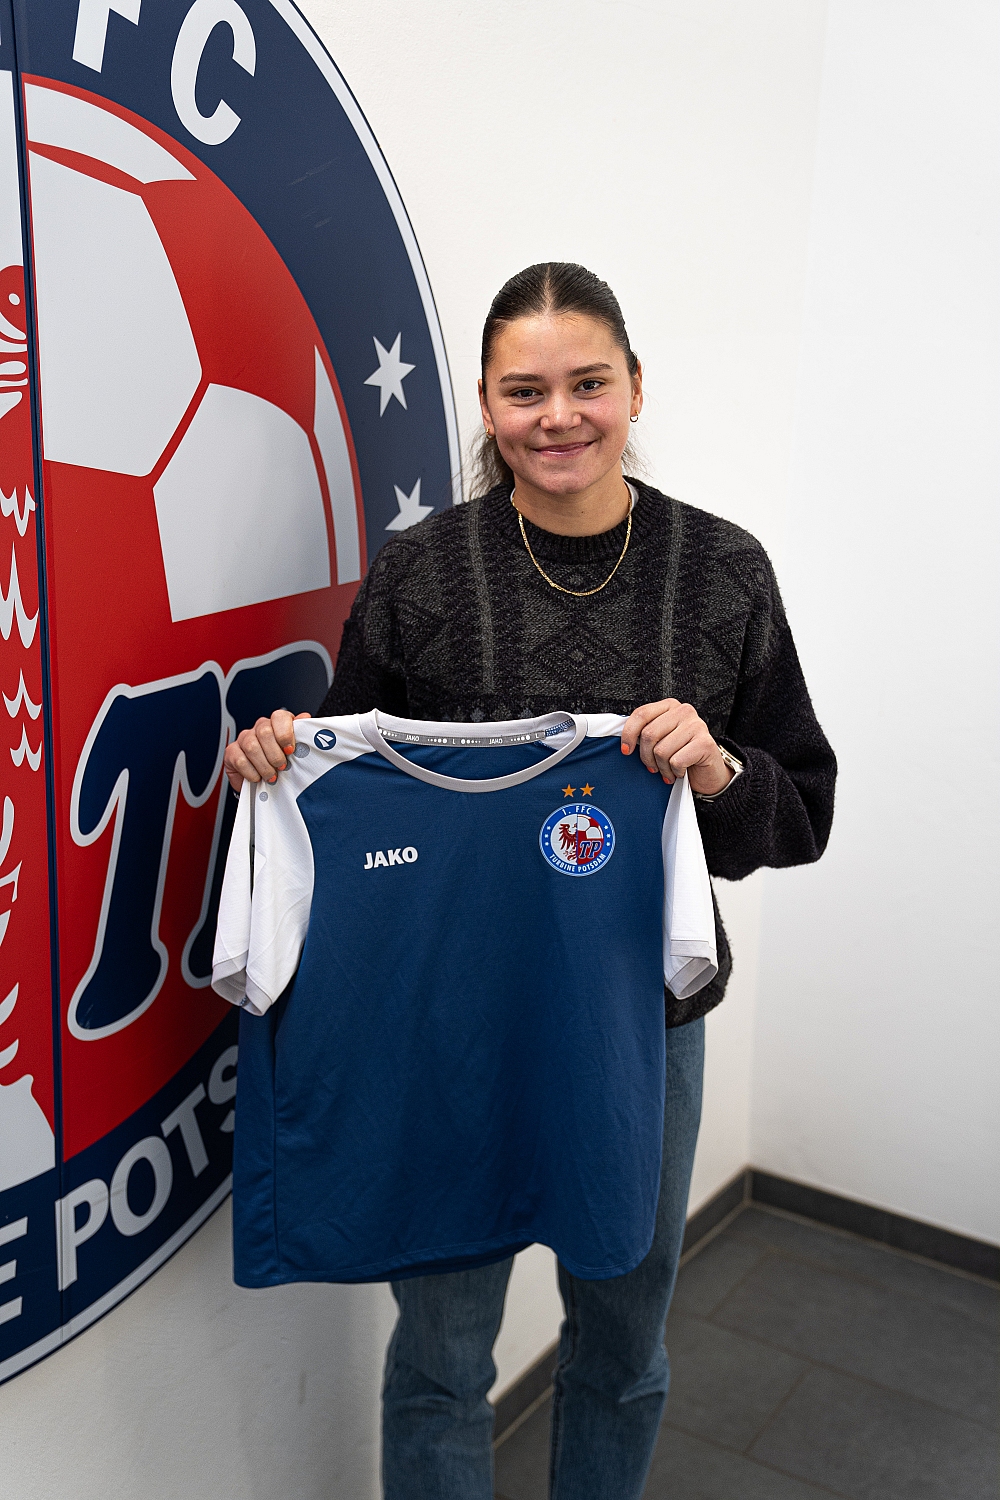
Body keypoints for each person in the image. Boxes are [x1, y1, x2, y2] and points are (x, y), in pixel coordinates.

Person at [223, 262, 836, 1500]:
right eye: (524, 391)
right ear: (488, 407)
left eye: (586, 384)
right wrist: (276, 760)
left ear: (634, 388)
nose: (558, 417)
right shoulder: (420, 572)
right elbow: (351, 777)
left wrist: (714, 769)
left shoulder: (723, 569)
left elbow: (801, 814)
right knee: (443, 1353)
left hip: (639, 1023)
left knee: (622, 1338)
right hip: (449, 1025)